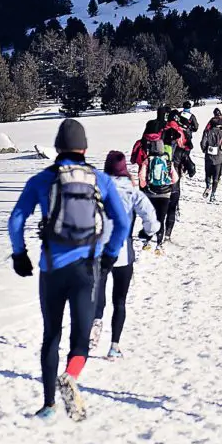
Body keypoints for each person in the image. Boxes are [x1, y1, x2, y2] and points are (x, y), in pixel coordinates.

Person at [8, 119, 130, 421]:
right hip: (87, 268)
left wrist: (19, 255)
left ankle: (48, 405)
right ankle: (71, 376)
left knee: (51, 335)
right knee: (80, 338)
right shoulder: (100, 180)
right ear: (85, 148)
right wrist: (110, 255)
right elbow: (123, 223)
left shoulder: (41, 180)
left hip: (52, 269)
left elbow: (16, 221)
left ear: (58, 148)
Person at [90, 151, 160, 360]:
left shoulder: (95, 189)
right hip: (123, 250)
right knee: (119, 300)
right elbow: (151, 220)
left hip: (98, 249)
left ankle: (95, 324)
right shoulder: (132, 191)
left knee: (97, 292)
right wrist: (147, 232)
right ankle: (114, 347)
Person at [138, 139, 177, 251]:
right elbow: (175, 178)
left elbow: (142, 177)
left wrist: (145, 186)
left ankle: (147, 242)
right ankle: (159, 244)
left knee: (150, 217)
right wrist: (167, 184)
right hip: (165, 195)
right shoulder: (168, 161)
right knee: (161, 218)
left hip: (151, 194)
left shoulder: (147, 161)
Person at [161, 127, 196, 241]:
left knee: (160, 210)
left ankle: (158, 234)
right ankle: (167, 234)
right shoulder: (180, 151)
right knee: (172, 209)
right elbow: (191, 167)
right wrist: (190, 172)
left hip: (158, 187)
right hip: (174, 186)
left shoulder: (157, 150)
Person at [200, 114, 222, 202]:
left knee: (208, 173)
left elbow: (203, 143)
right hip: (218, 157)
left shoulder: (207, 132)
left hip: (208, 156)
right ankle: (213, 194)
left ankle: (208, 186)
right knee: (216, 176)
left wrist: (204, 150)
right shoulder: (221, 133)